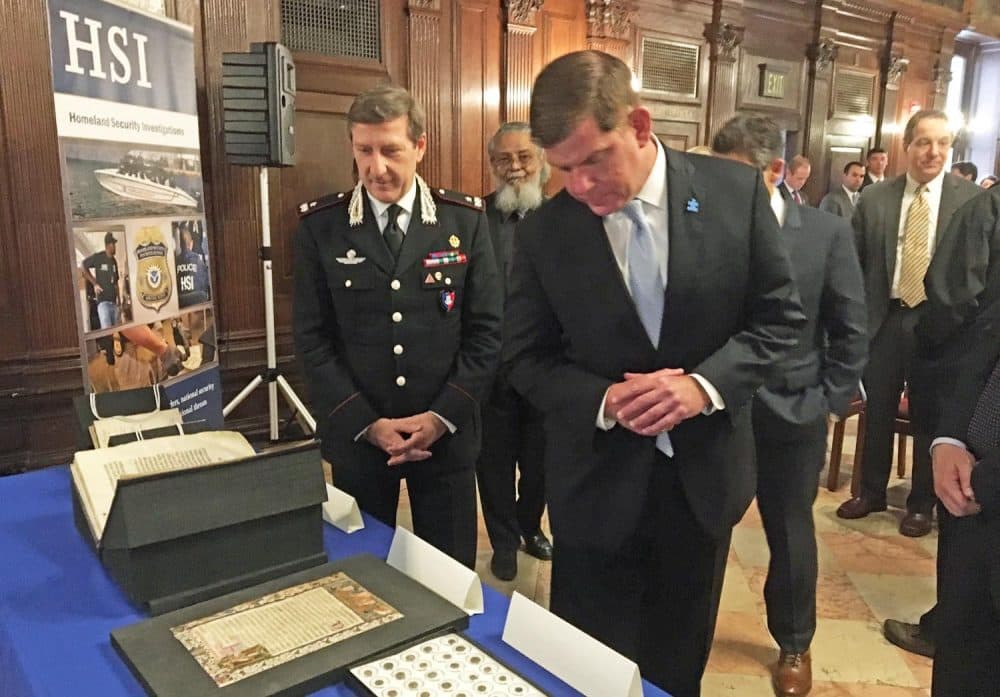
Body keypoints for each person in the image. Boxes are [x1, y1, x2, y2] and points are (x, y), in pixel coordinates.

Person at [503, 50, 805, 696]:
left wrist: (703, 386)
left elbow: (779, 322)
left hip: (700, 487)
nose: (580, 186)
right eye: (563, 169)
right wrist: (605, 399)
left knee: (675, 670)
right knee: (584, 670)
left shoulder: (735, 196)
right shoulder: (544, 234)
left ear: (639, 125)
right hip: (594, 493)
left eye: (594, 160)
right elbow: (524, 359)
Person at [293, 85, 502, 568]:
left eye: (391, 150)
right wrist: (366, 424)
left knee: (447, 577)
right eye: (364, 150)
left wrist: (440, 418)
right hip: (361, 439)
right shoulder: (320, 227)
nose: (377, 167)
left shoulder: (465, 221)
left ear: (420, 146)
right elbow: (312, 339)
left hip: (445, 438)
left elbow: (487, 332)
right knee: (362, 578)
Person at [713, 115, 868, 697]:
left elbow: (851, 327)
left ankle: (795, 642)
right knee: (705, 527)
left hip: (794, 411)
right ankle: (689, 633)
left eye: (737, 179)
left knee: (790, 531)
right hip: (719, 411)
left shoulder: (823, 234)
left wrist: (828, 400)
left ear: (774, 172)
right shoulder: (706, 228)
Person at [836, 109, 981, 537]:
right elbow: (855, 264)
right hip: (886, 317)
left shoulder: (969, 200)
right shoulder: (876, 198)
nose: (932, 151)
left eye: (941, 143)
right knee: (877, 408)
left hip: (940, 325)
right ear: (909, 145)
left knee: (929, 416)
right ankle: (870, 491)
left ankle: (921, 502)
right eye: (923, 142)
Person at [883, 185, 1000, 669]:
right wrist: (951, 435)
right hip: (971, 481)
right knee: (964, 648)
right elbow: (990, 327)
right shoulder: (987, 208)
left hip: (985, 481)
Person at [478, 122, 552, 582]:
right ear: (491, 166)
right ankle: (503, 541)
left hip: (546, 372)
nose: (515, 168)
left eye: (524, 157)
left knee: (542, 464)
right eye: (504, 160)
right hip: (490, 371)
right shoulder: (472, 218)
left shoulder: (565, 219)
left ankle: (530, 525)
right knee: (494, 464)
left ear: (541, 159)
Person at [81, 232, 121, 329]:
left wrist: (119, 300)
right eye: (113, 244)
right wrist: (95, 284)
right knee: (107, 332)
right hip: (103, 304)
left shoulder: (114, 261)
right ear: (108, 245)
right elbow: (83, 265)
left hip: (114, 304)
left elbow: (116, 283)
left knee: (116, 332)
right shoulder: (98, 257)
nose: (115, 246)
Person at [176, 223, 210, 307]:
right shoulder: (199, 262)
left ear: (179, 244)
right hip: (198, 306)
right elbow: (206, 287)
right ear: (191, 244)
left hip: (181, 307)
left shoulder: (174, 263)